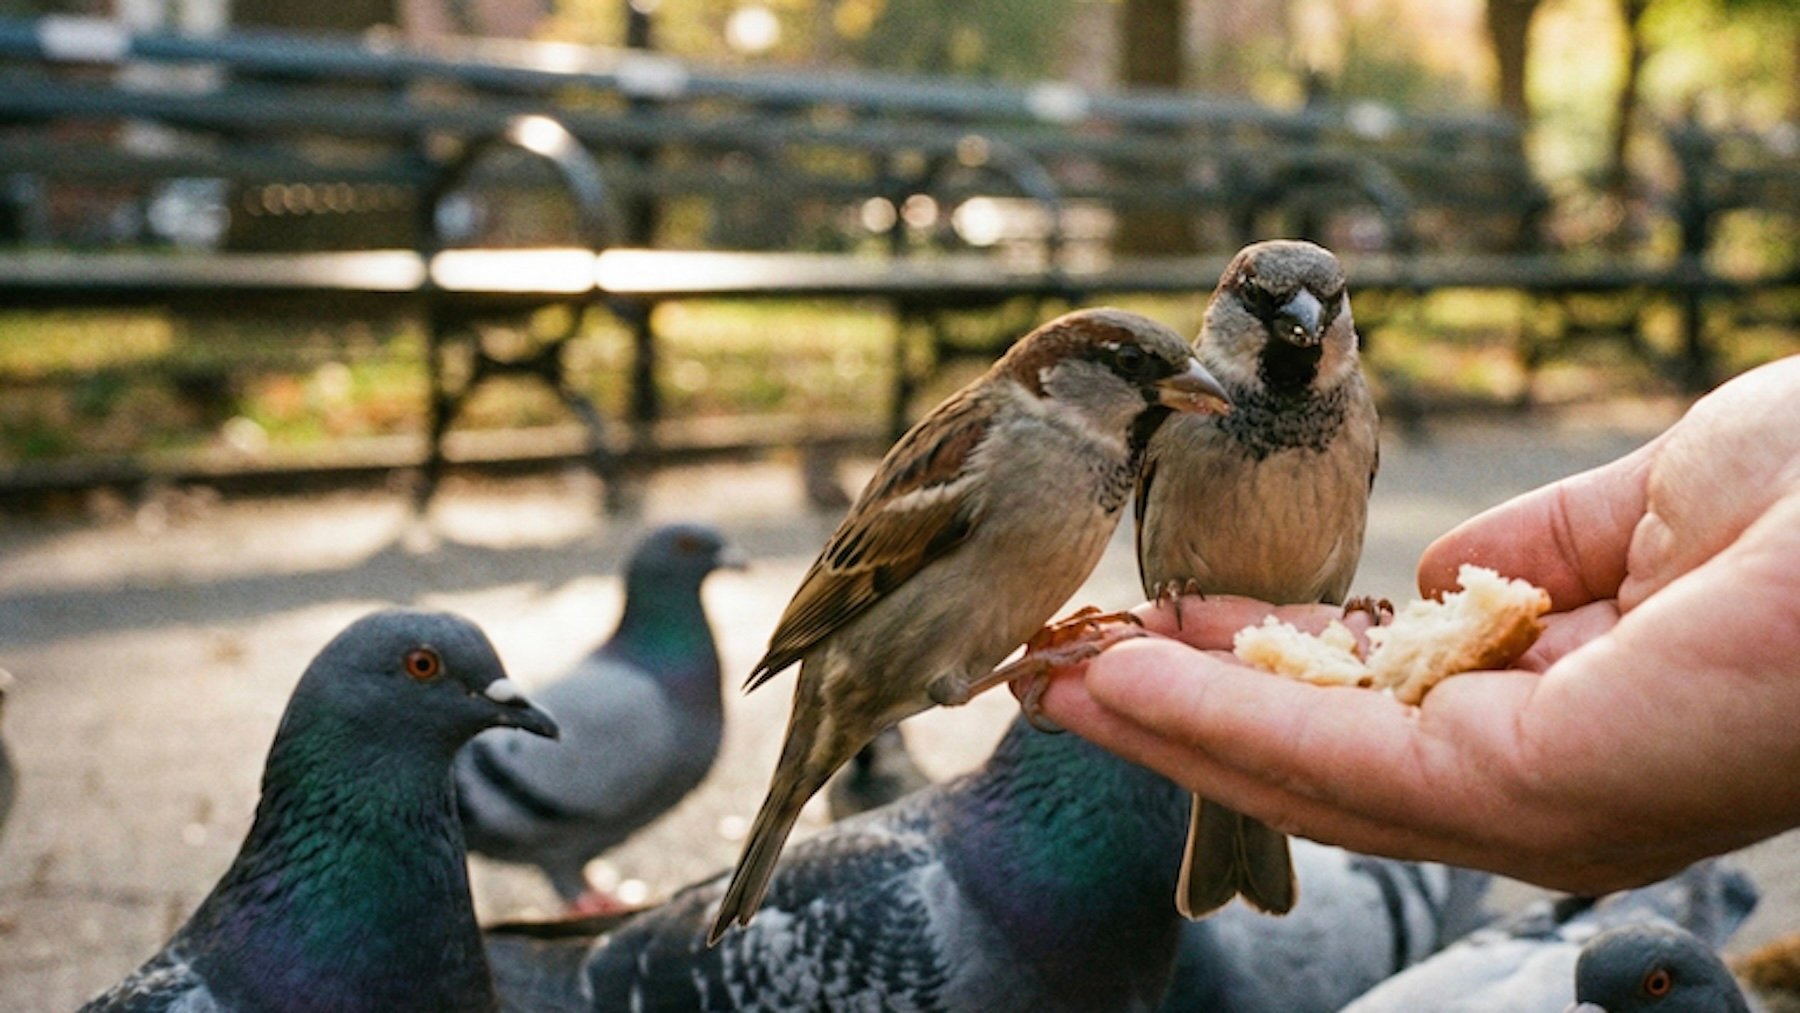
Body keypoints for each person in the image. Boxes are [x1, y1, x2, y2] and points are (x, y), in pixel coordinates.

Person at [1035, 354, 1800, 895]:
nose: (1298, 322)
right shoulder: (1187, 399)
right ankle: (1231, 830)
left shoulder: (1355, 408)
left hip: (1303, 606)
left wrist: (1345, 622)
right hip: (1194, 605)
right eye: (1265, 303)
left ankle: (1247, 840)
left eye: (1321, 302)